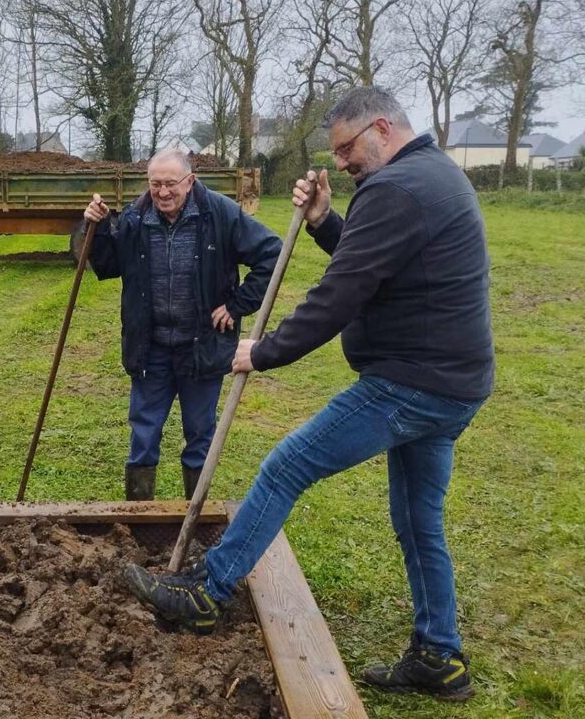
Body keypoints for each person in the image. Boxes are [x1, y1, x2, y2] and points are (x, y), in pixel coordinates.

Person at [124, 87, 494, 702]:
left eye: (348, 148)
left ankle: (205, 592)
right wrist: (324, 222)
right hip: (453, 383)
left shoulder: (396, 187)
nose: (343, 162)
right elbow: (373, 261)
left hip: (411, 383)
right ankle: (439, 655)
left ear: (381, 128)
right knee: (418, 522)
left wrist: (262, 350)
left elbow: (341, 292)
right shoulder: (432, 177)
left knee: (288, 463)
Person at [84, 149, 281, 501]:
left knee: (200, 434)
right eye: (155, 184)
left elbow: (271, 253)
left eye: (171, 183)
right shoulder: (135, 217)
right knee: (143, 434)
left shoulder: (220, 214)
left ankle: (195, 516)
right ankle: (139, 519)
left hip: (201, 347)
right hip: (151, 348)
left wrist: (237, 304)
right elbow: (106, 264)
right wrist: (96, 228)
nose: (162, 192)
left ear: (190, 181)